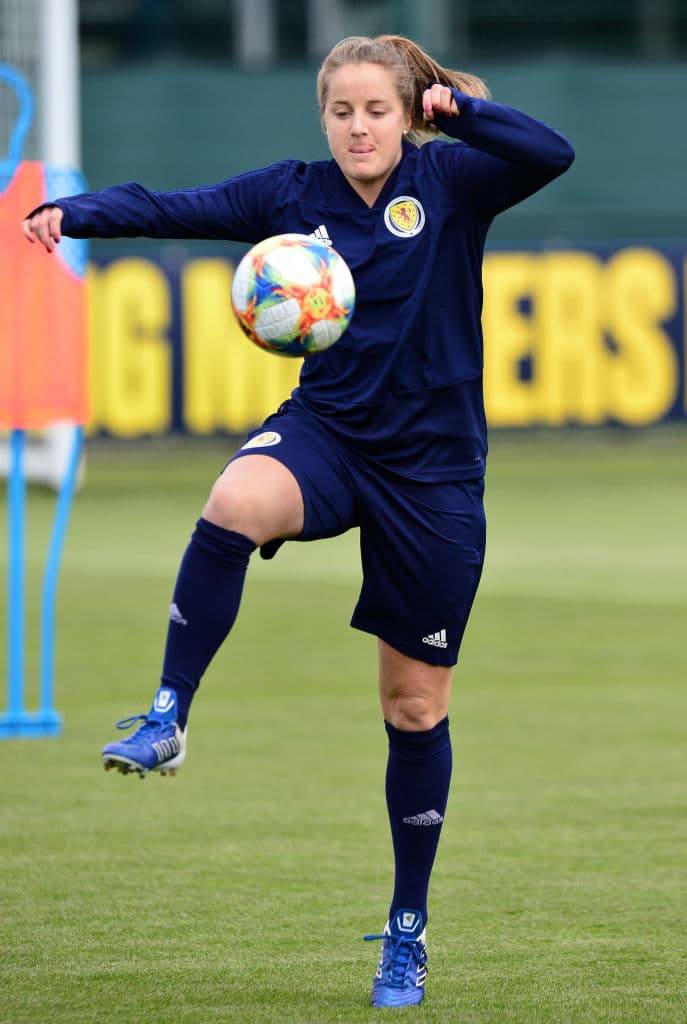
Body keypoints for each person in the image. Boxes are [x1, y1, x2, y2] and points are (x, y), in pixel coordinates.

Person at [23, 34, 573, 1008]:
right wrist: (76, 213)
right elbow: (172, 207)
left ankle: (406, 927)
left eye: (376, 110)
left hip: (433, 476)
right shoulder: (292, 195)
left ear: (410, 112)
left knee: (414, 707)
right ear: (322, 116)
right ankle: (167, 714)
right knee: (235, 498)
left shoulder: (451, 184)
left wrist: (463, 113)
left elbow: (551, 152)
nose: (358, 127)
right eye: (342, 111)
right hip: (326, 436)